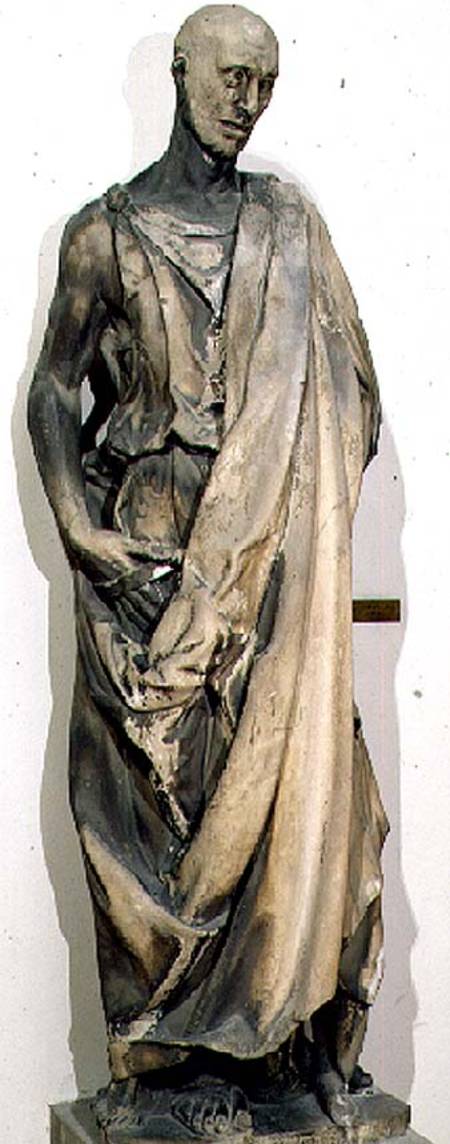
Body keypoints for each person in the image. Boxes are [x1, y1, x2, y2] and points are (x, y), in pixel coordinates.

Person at [28, 4, 388, 1136]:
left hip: (272, 553)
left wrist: (286, 490)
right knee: (155, 801)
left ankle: (272, 1045)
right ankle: (169, 1061)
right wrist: (82, 531)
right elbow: (53, 392)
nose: (247, 100)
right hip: (149, 550)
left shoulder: (291, 228)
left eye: (266, 83)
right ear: (180, 72)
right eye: (232, 76)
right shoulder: (105, 233)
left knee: (289, 783)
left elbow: (352, 396)